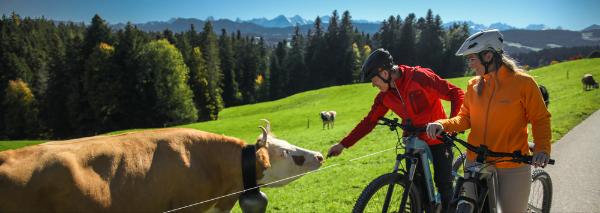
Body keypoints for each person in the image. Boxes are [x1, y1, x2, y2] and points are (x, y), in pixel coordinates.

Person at [425, 29, 551, 212]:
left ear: (488, 56)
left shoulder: (523, 83)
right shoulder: (474, 85)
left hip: (511, 165)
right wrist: (442, 124)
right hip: (477, 162)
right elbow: (465, 118)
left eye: (472, 59)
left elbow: (540, 118)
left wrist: (542, 148)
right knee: (465, 208)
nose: (470, 64)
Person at [327, 48, 464, 212]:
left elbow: (456, 93)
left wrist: (451, 126)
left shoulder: (419, 77)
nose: (373, 84)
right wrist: (343, 144)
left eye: (374, 80)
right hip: (413, 140)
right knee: (416, 191)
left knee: (444, 186)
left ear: (384, 73)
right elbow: (369, 122)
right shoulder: (384, 96)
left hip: (438, 138)